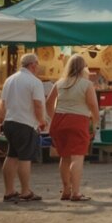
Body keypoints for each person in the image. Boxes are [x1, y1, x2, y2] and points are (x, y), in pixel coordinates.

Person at [46, 54, 99, 201]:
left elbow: (48, 103)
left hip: (59, 120)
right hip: (78, 121)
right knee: (77, 157)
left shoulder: (60, 83)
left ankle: (66, 190)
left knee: (65, 157)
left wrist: (53, 117)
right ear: (83, 68)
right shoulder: (86, 84)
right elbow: (93, 105)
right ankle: (76, 192)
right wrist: (96, 121)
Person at [0, 53, 46, 202]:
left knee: (11, 155)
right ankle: (25, 191)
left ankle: (9, 190)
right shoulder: (35, 82)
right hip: (25, 123)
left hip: (9, 122)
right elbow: (38, 105)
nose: (38, 68)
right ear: (33, 65)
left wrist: (1, 120)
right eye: (37, 65)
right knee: (25, 158)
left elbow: (2, 105)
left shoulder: (9, 80)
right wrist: (41, 121)